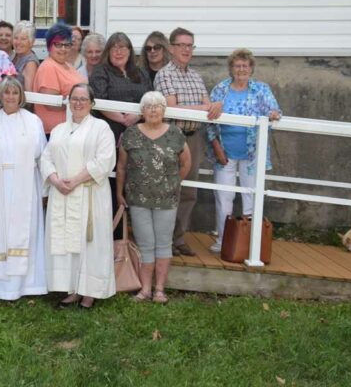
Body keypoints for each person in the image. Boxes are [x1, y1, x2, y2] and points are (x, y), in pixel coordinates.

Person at [41, 83, 117, 309]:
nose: (78, 103)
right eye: (74, 98)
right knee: (67, 243)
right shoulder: (58, 130)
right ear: (68, 101)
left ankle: (89, 292)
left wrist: (74, 181)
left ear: (92, 103)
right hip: (63, 194)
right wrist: (55, 180)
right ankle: (72, 288)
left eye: (84, 99)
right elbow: (46, 158)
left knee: (89, 243)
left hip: (88, 193)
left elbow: (104, 161)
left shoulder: (101, 128)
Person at [0, 76, 47, 300]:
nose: (11, 97)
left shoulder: (33, 122)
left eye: (15, 93)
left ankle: (25, 286)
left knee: (26, 232)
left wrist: (44, 190)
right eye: (7, 93)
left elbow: (43, 157)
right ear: (0, 96)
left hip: (26, 184)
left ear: (21, 96)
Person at [116, 92, 191, 304]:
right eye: (148, 107)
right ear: (142, 111)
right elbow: (121, 166)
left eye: (157, 106)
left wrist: (174, 183)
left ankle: (160, 290)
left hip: (166, 200)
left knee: (164, 244)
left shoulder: (175, 134)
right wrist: (119, 193)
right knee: (145, 244)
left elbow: (186, 163)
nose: (153, 110)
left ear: (163, 110)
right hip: (138, 198)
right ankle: (145, 289)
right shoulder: (131, 134)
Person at [154, 27, 222, 256]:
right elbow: (171, 108)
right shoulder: (165, 74)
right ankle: (163, 241)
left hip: (194, 139)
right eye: (181, 45)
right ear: (171, 48)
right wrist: (205, 107)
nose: (186, 49)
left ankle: (179, 238)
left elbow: (208, 106)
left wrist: (212, 107)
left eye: (190, 45)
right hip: (173, 138)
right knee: (169, 190)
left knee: (189, 193)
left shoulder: (195, 76)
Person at [207, 48, 281, 253]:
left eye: (245, 66)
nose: (241, 69)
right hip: (225, 153)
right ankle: (223, 240)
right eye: (237, 65)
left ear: (251, 68)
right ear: (231, 68)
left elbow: (274, 110)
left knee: (251, 197)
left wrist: (274, 113)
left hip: (252, 153)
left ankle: (250, 242)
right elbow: (209, 121)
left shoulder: (260, 89)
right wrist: (216, 146)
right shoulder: (220, 89)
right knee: (224, 198)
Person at [89, 32, 152, 145]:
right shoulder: (100, 71)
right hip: (109, 131)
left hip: (140, 130)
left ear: (129, 51)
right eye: (114, 48)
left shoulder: (141, 72)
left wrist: (138, 115)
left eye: (122, 48)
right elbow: (99, 101)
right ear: (108, 52)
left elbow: (150, 99)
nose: (118, 52)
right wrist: (124, 120)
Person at [32, 23, 85, 136]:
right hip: (56, 133)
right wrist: (80, 102)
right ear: (49, 46)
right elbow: (51, 103)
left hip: (72, 130)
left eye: (67, 45)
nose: (63, 49)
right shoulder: (48, 67)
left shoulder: (67, 65)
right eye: (58, 45)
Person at [11, 20, 40, 92]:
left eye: (23, 39)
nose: (18, 42)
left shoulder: (30, 63)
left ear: (31, 42)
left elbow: (29, 94)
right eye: (16, 38)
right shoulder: (16, 56)